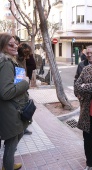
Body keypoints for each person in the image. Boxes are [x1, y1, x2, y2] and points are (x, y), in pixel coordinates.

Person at [0, 33, 29, 170]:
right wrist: (25, 83)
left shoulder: (10, 60)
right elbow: (6, 93)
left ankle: (8, 164)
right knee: (12, 142)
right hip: (9, 110)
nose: (15, 46)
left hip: (11, 108)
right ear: (2, 47)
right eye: (10, 44)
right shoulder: (6, 63)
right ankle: (8, 166)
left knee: (18, 134)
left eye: (15, 43)